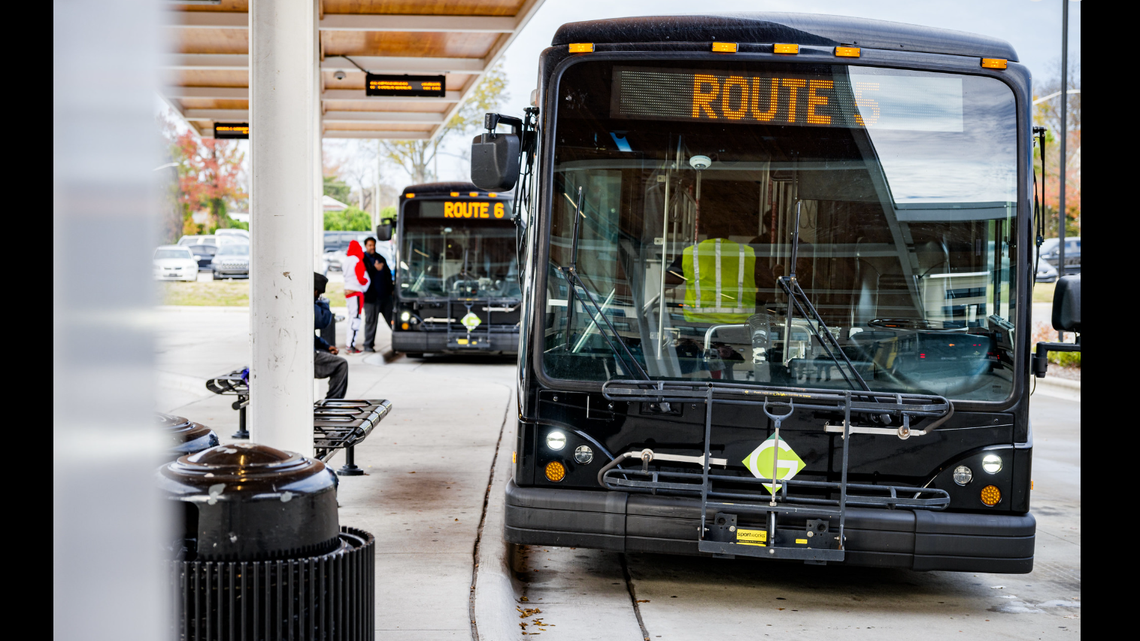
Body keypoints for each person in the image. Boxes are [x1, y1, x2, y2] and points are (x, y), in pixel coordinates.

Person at [313, 273, 348, 399]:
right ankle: (332, 402)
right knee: (341, 364)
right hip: (304, 357)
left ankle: (332, 401)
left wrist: (326, 347)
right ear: (314, 291)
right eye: (318, 293)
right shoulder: (307, 304)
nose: (318, 297)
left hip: (304, 353)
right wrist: (324, 304)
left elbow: (310, 336)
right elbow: (322, 321)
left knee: (339, 363)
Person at [362, 237, 394, 352]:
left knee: (392, 319)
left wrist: (391, 290)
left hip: (385, 297)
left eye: (373, 245)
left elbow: (388, 275)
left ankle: (400, 339)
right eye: (370, 245)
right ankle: (368, 345)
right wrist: (374, 269)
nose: (372, 247)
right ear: (366, 246)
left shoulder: (380, 258)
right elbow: (363, 276)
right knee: (371, 322)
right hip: (371, 298)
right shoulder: (363, 259)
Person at [341, 239, 370, 354]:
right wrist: (366, 282)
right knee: (356, 319)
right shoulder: (357, 260)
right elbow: (361, 278)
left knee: (351, 318)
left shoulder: (346, 260)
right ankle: (350, 345)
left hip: (348, 292)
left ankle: (349, 344)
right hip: (356, 292)